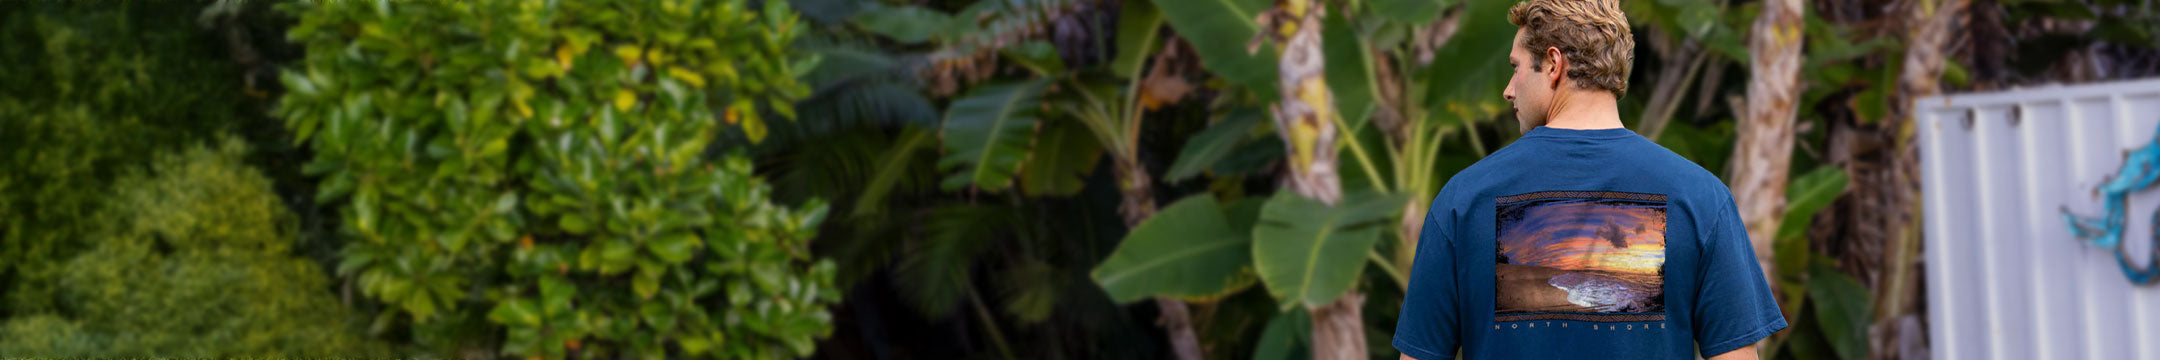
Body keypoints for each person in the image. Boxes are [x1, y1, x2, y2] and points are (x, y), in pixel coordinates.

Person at [1391, 0, 1786, 359]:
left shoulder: (1465, 198)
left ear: (1553, 64)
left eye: (1515, 68)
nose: (1508, 91)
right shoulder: (1700, 197)